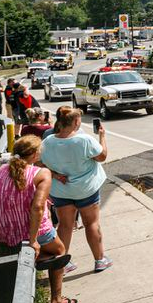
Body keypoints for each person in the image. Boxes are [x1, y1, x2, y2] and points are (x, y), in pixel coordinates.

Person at [0, 136, 72, 303]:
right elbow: (38, 208)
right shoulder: (42, 173)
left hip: (3, 229)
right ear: (35, 154)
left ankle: (41, 256)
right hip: (28, 230)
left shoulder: (3, 169)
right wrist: (33, 240)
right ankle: (56, 300)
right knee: (60, 250)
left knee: (49, 248)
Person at [41, 108, 111, 274]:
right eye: (79, 119)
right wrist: (102, 136)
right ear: (75, 122)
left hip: (61, 192)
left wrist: (56, 175)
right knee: (91, 224)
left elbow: (40, 163)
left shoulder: (48, 142)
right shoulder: (84, 140)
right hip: (86, 190)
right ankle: (100, 260)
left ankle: (63, 263)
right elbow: (102, 156)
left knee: (65, 225)